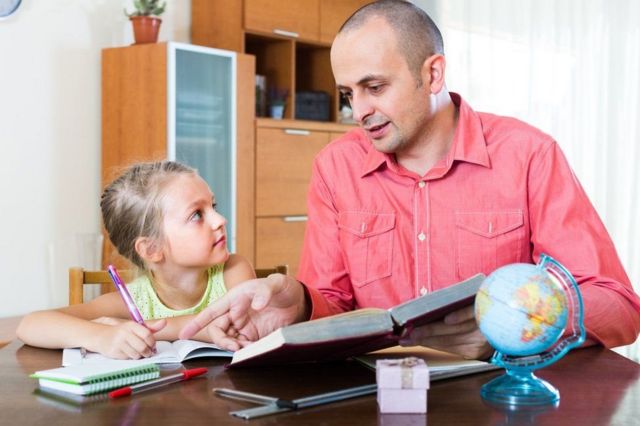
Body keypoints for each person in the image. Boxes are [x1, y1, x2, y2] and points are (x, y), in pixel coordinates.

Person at [180, 0, 640, 359]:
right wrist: (298, 305)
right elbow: (333, 304)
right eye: (348, 93)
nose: (358, 111)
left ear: (433, 74)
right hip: (377, 399)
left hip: (501, 397)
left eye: (374, 88)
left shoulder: (528, 155)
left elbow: (618, 306)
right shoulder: (335, 168)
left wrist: (512, 325)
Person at [17, 160, 255, 359]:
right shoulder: (132, 301)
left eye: (213, 206)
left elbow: (239, 324)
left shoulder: (234, 270)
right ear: (152, 249)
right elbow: (30, 324)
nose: (220, 219)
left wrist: (146, 328)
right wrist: (100, 335)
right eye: (197, 215)